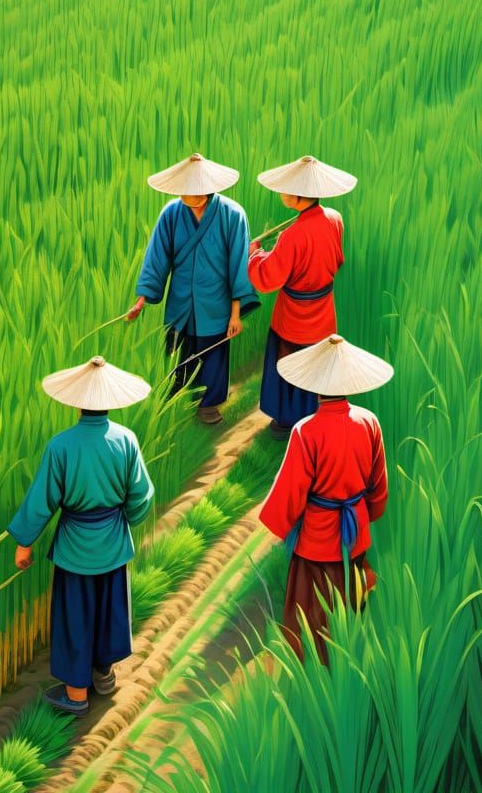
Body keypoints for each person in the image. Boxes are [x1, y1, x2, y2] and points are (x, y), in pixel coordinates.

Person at [8, 356, 154, 715]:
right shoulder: (126, 440)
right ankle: (103, 675)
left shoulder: (61, 445)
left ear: (77, 401)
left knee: (75, 615)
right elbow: (141, 494)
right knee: (109, 609)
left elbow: (44, 499)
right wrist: (125, 522)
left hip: (75, 545)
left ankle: (76, 696)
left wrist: (24, 543)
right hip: (114, 543)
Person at [258, 334, 390, 664]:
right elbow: (378, 486)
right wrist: (366, 515)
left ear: (316, 385)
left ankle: (313, 673)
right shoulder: (369, 422)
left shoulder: (307, 430)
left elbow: (291, 491)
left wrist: (277, 523)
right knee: (352, 605)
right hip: (353, 533)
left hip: (317, 540)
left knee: (310, 617)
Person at [126, 153, 260, 425]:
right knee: (178, 355)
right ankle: (175, 404)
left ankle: (208, 406)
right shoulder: (171, 214)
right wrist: (141, 301)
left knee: (212, 354)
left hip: (216, 302)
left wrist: (235, 314)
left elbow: (238, 265)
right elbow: (157, 258)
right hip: (181, 303)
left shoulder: (233, 215)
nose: (192, 205)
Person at [247, 155, 356, 439]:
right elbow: (335, 259)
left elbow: (268, 278)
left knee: (289, 362)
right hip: (323, 309)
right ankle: (315, 419)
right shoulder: (334, 219)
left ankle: (286, 423)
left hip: (294, 313)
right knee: (317, 363)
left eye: (285, 189)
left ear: (296, 196)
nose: (282, 193)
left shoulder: (292, 235)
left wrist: (255, 255)